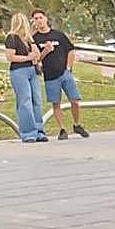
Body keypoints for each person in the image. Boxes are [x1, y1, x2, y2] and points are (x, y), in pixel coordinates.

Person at [31, 9, 89, 140]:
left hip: (64, 73)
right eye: (36, 18)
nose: (38, 20)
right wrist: (45, 51)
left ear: (46, 19)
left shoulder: (58, 35)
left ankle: (77, 124)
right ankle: (62, 129)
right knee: (56, 103)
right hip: (50, 76)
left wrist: (68, 68)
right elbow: (36, 59)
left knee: (74, 100)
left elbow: (71, 50)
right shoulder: (35, 39)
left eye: (40, 17)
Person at [3, 13, 47, 143]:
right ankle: (28, 132)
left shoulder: (28, 38)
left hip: (32, 71)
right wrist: (27, 57)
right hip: (19, 71)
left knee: (36, 100)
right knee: (25, 101)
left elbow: (37, 54)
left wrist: (31, 41)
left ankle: (39, 130)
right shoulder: (11, 38)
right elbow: (10, 57)